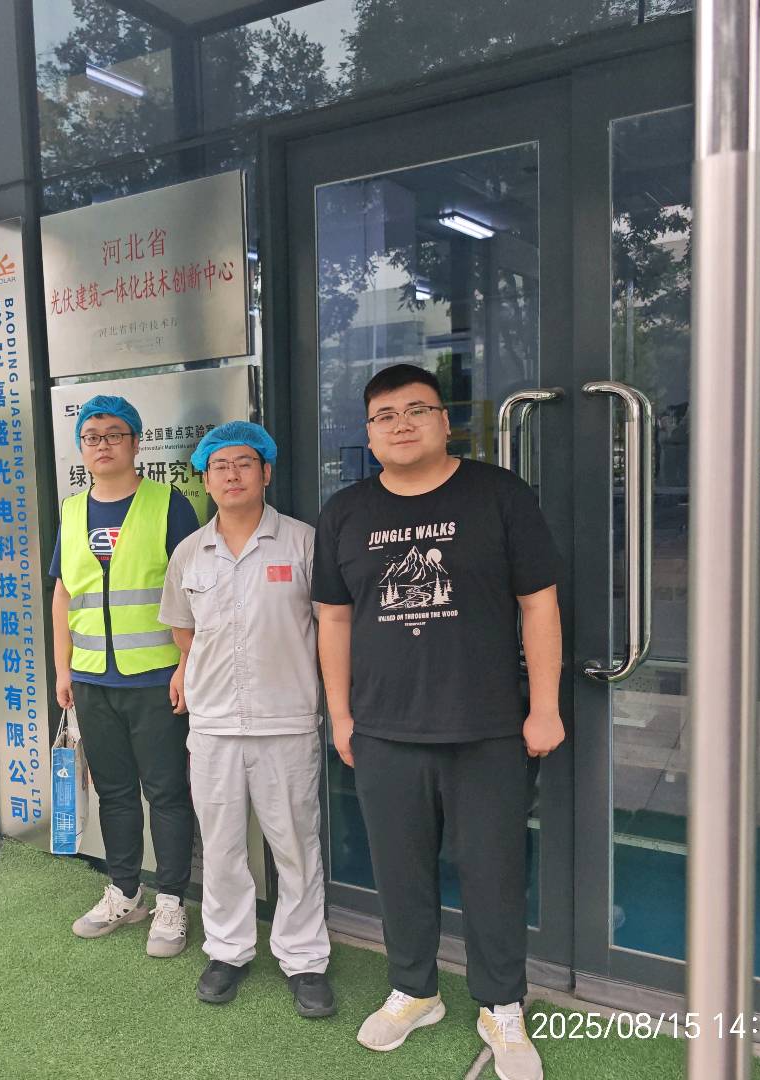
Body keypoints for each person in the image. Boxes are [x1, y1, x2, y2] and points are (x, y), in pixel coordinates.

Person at [312, 364, 564, 1080]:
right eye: (384, 416)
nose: (400, 424)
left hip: (488, 727)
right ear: (369, 434)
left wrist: (544, 707)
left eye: (416, 410)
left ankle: (501, 1005)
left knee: (493, 872)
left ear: (444, 421)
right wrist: (341, 715)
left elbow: (539, 604)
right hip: (384, 729)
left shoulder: (499, 495)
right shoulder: (345, 512)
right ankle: (414, 990)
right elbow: (334, 620)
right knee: (400, 873)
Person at [159, 421, 335, 1018]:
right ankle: (227, 951)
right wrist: (187, 670)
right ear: (206, 480)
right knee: (223, 846)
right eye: (219, 466)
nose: (232, 475)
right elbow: (184, 630)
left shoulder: (303, 543)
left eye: (243, 463)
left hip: (287, 720)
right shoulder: (189, 552)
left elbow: (331, 627)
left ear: (266, 472)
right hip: (212, 724)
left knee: (296, 846)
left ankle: (304, 958)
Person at [51, 394, 200, 957]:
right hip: (92, 680)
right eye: (92, 437)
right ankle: (124, 891)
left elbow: (195, 591)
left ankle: (172, 901)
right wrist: (63, 669)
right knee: (113, 792)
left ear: (136, 443)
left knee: (166, 793)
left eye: (115, 434)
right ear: (81, 448)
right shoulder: (71, 510)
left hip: (156, 678)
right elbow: (63, 594)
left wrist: (186, 666)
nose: (103, 445)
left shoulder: (169, 505)